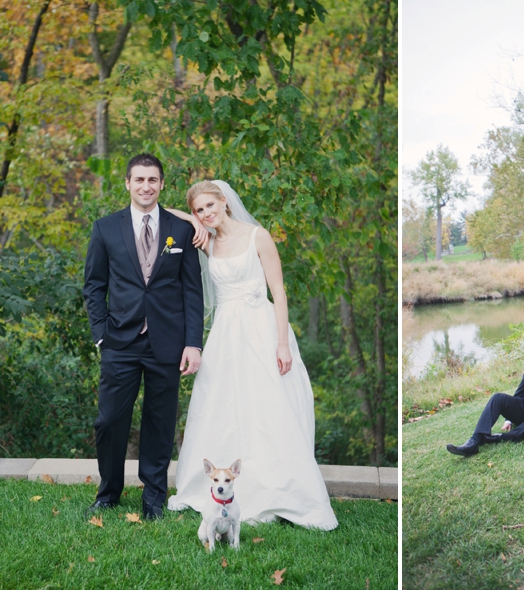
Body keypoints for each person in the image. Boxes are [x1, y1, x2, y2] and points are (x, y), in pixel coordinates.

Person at [165, 180, 338, 531]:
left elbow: (279, 291)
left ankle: (278, 489)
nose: (206, 214)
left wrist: (282, 344)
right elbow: (163, 210)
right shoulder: (208, 241)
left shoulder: (257, 236)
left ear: (224, 201)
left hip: (261, 330)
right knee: (223, 407)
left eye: (210, 206)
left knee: (268, 407)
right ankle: (221, 488)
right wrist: (194, 222)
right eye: (199, 210)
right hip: (226, 336)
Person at [83, 153, 204, 520]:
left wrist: (193, 342)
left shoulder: (181, 230)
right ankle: (109, 492)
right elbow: (93, 286)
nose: (146, 186)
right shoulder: (105, 228)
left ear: (162, 184)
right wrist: (101, 334)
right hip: (119, 341)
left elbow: (192, 292)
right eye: (139, 180)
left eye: (153, 180)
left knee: (160, 421)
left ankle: (154, 498)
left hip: (167, 342)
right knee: (109, 421)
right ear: (128, 183)